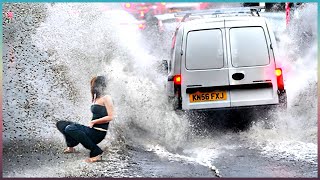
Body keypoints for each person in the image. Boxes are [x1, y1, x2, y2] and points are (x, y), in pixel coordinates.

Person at [56, 75, 114, 163]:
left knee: (69, 128)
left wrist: (94, 121)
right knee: (61, 124)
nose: (92, 87)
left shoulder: (106, 98)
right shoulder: (96, 98)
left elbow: (111, 116)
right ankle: (71, 146)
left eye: (93, 85)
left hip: (98, 133)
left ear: (100, 85)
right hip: (91, 130)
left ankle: (96, 152)